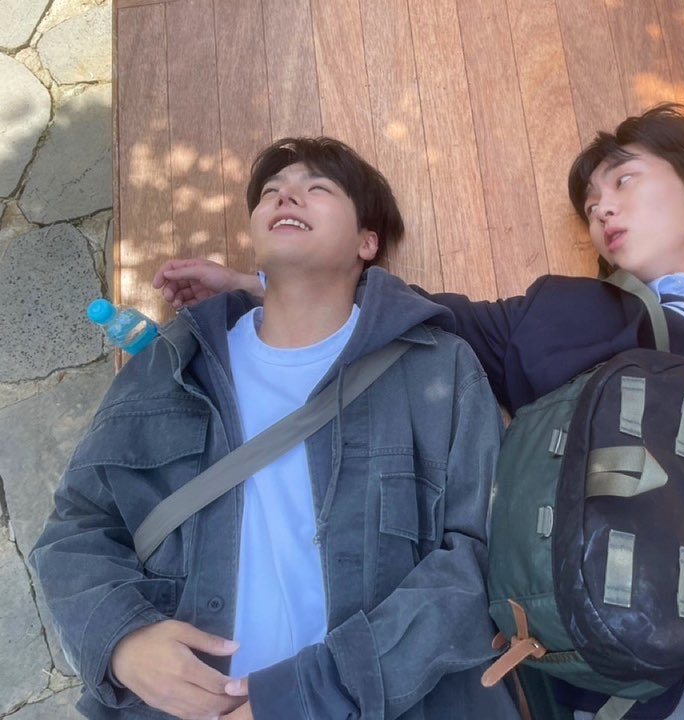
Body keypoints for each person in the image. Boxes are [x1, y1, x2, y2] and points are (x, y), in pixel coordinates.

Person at [152, 104, 684, 719]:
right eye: (589, 202)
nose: (600, 209)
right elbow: (415, 314)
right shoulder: (563, 315)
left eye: (622, 182)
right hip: (649, 700)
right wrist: (262, 285)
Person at [31, 137, 520, 720]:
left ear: (367, 242)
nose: (286, 195)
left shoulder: (437, 367)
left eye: (318, 188)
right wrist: (123, 639)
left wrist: (311, 693)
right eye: (270, 192)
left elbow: (480, 558)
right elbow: (77, 526)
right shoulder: (173, 362)